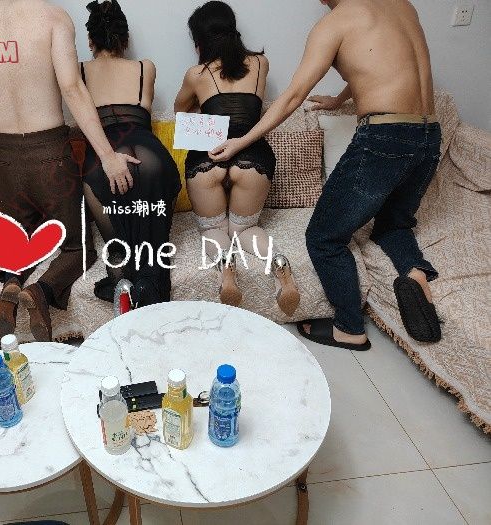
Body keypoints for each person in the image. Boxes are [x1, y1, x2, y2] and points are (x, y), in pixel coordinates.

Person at [209, 0, 442, 349]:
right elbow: (385, 65)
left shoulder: (335, 23)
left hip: (385, 137)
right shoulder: (402, 5)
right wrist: (339, 99)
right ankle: (415, 271)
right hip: (429, 135)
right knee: (394, 224)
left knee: (323, 237)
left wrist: (241, 141)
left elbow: (293, 96)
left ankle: (349, 328)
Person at [0, 0, 139, 343]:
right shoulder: (53, 17)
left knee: (19, 241)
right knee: (78, 248)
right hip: (49, 153)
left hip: (1, 155)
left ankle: (11, 286)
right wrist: (107, 155)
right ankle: (40, 291)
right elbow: (72, 88)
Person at [174, 1, 301, 315]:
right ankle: (278, 262)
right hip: (253, 158)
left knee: (213, 230)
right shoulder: (261, 63)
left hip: (208, 157)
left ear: (199, 40)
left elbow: (180, 111)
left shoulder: (196, 74)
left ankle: (225, 266)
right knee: (244, 229)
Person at [80, 0, 181, 307]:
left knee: (119, 243)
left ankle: (124, 275)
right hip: (150, 155)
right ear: (125, 39)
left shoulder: (78, 73)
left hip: (104, 157)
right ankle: (149, 282)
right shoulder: (145, 68)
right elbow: (143, 111)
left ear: (90, 40)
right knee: (152, 238)